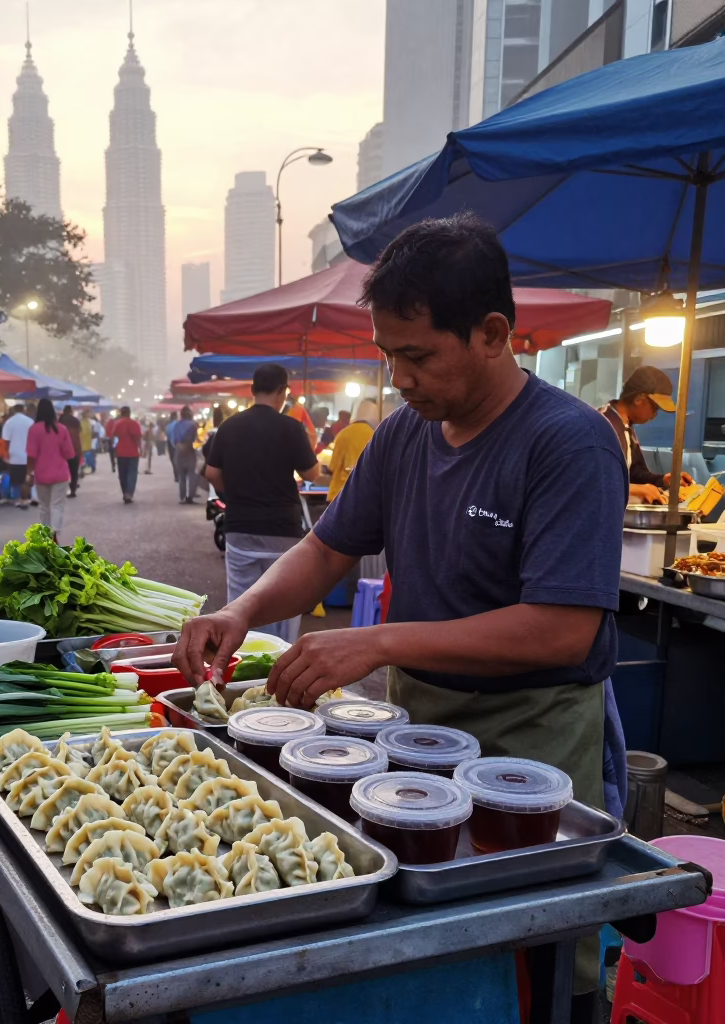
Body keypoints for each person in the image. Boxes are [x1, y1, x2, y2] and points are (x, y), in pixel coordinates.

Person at [175, 215, 628, 1013]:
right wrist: (243, 609)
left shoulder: (568, 443)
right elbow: (326, 549)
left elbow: (563, 629)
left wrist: (377, 641)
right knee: (427, 946)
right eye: (389, 356)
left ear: (493, 334)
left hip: (531, 738)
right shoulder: (401, 439)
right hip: (416, 732)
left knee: (531, 957)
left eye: (418, 356)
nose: (400, 378)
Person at [201, 364, 320, 642]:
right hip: (282, 530)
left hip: (240, 528)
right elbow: (311, 474)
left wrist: (234, 493)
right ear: (282, 391)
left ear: (252, 390)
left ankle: (246, 657)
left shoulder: (229, 426)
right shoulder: (291, 427)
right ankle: (280, 656)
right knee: (284, 600)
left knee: (241, 602)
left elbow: (212, 473)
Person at [601, 366, 693, 505]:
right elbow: (593, 481)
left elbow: (635, 474)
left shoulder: (626, 428)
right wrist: (636, 490)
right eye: (655, 408)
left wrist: (662, 480)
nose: (655, 415)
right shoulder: (602, 425)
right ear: (639, 399)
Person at [26, 399, 75, 542]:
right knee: (57, 505)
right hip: (60, 474)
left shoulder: (33, 429)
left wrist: (29, 472)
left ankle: (46, 534)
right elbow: (69, 454)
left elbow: (31, 455)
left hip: (41, 474)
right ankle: (54, 532)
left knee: (44, 506)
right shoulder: (61, 429)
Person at [325, 399, 380, 502]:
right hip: (364, 496)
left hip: (339, 495)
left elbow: (332, 466)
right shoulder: (374, 436)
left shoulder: (343, 434)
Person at [1, 403, 34, 509]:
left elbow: (6, 440)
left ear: (14, 410)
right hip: (27, 454)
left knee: (15, 479)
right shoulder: (30, 422)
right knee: (26, 477)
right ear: (24, 410)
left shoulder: (9, 422)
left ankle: (17, 499)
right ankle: (26, 499)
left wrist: (7, 453)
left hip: (14, 454)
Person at [110, 405, 143, 503]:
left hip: (120, 452)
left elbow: (113, 437)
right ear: (129, 413)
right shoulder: (134, 423)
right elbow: (137, 437)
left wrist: (114, 450)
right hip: (133, 453)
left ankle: (125, 492)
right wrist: (140, 448)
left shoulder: (117, 424)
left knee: (122, 474)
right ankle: (129, 494)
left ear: (121, 413)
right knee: (132, 473)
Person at [175, 406, 200, 504]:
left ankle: (182, 497)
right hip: (190, 451)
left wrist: (179, 446)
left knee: (181, 476)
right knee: (192, 474)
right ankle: (190, 497)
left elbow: (174, 439)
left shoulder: (177, 425)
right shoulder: (193, 425)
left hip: (179, 450)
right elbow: (195, 439)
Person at [60, 405, 83, 498]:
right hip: (75, 448)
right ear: (70, 411)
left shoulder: (60, 420)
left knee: (62, 470)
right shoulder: (75, 421)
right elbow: (79, 433)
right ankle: (73, 489)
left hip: (62, 450)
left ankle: (62, 489)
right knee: (74, 471)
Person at [165, 410, 180, 482]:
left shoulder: (168, 426)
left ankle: (176, 476)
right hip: (177, 443)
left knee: (173, 460)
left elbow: (167, 435)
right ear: (176, 416)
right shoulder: (177, 424)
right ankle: (179, 476)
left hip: (170, 444)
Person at [79, 409, 94, 474]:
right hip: (84, 442)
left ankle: (88, 467)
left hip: (86, 442)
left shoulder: (87, 422)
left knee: (87, 456)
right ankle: (88, 468)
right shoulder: (84, 422)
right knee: (86, 456)